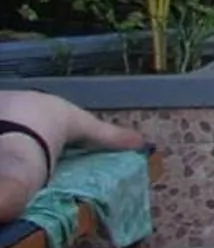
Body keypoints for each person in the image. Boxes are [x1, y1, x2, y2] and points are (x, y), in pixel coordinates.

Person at [0, 88, 148, 224]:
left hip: (19, 128)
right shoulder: (59, 106)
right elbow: (124, 140)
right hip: (21, 135)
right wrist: (141, 140)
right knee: (15, 181)